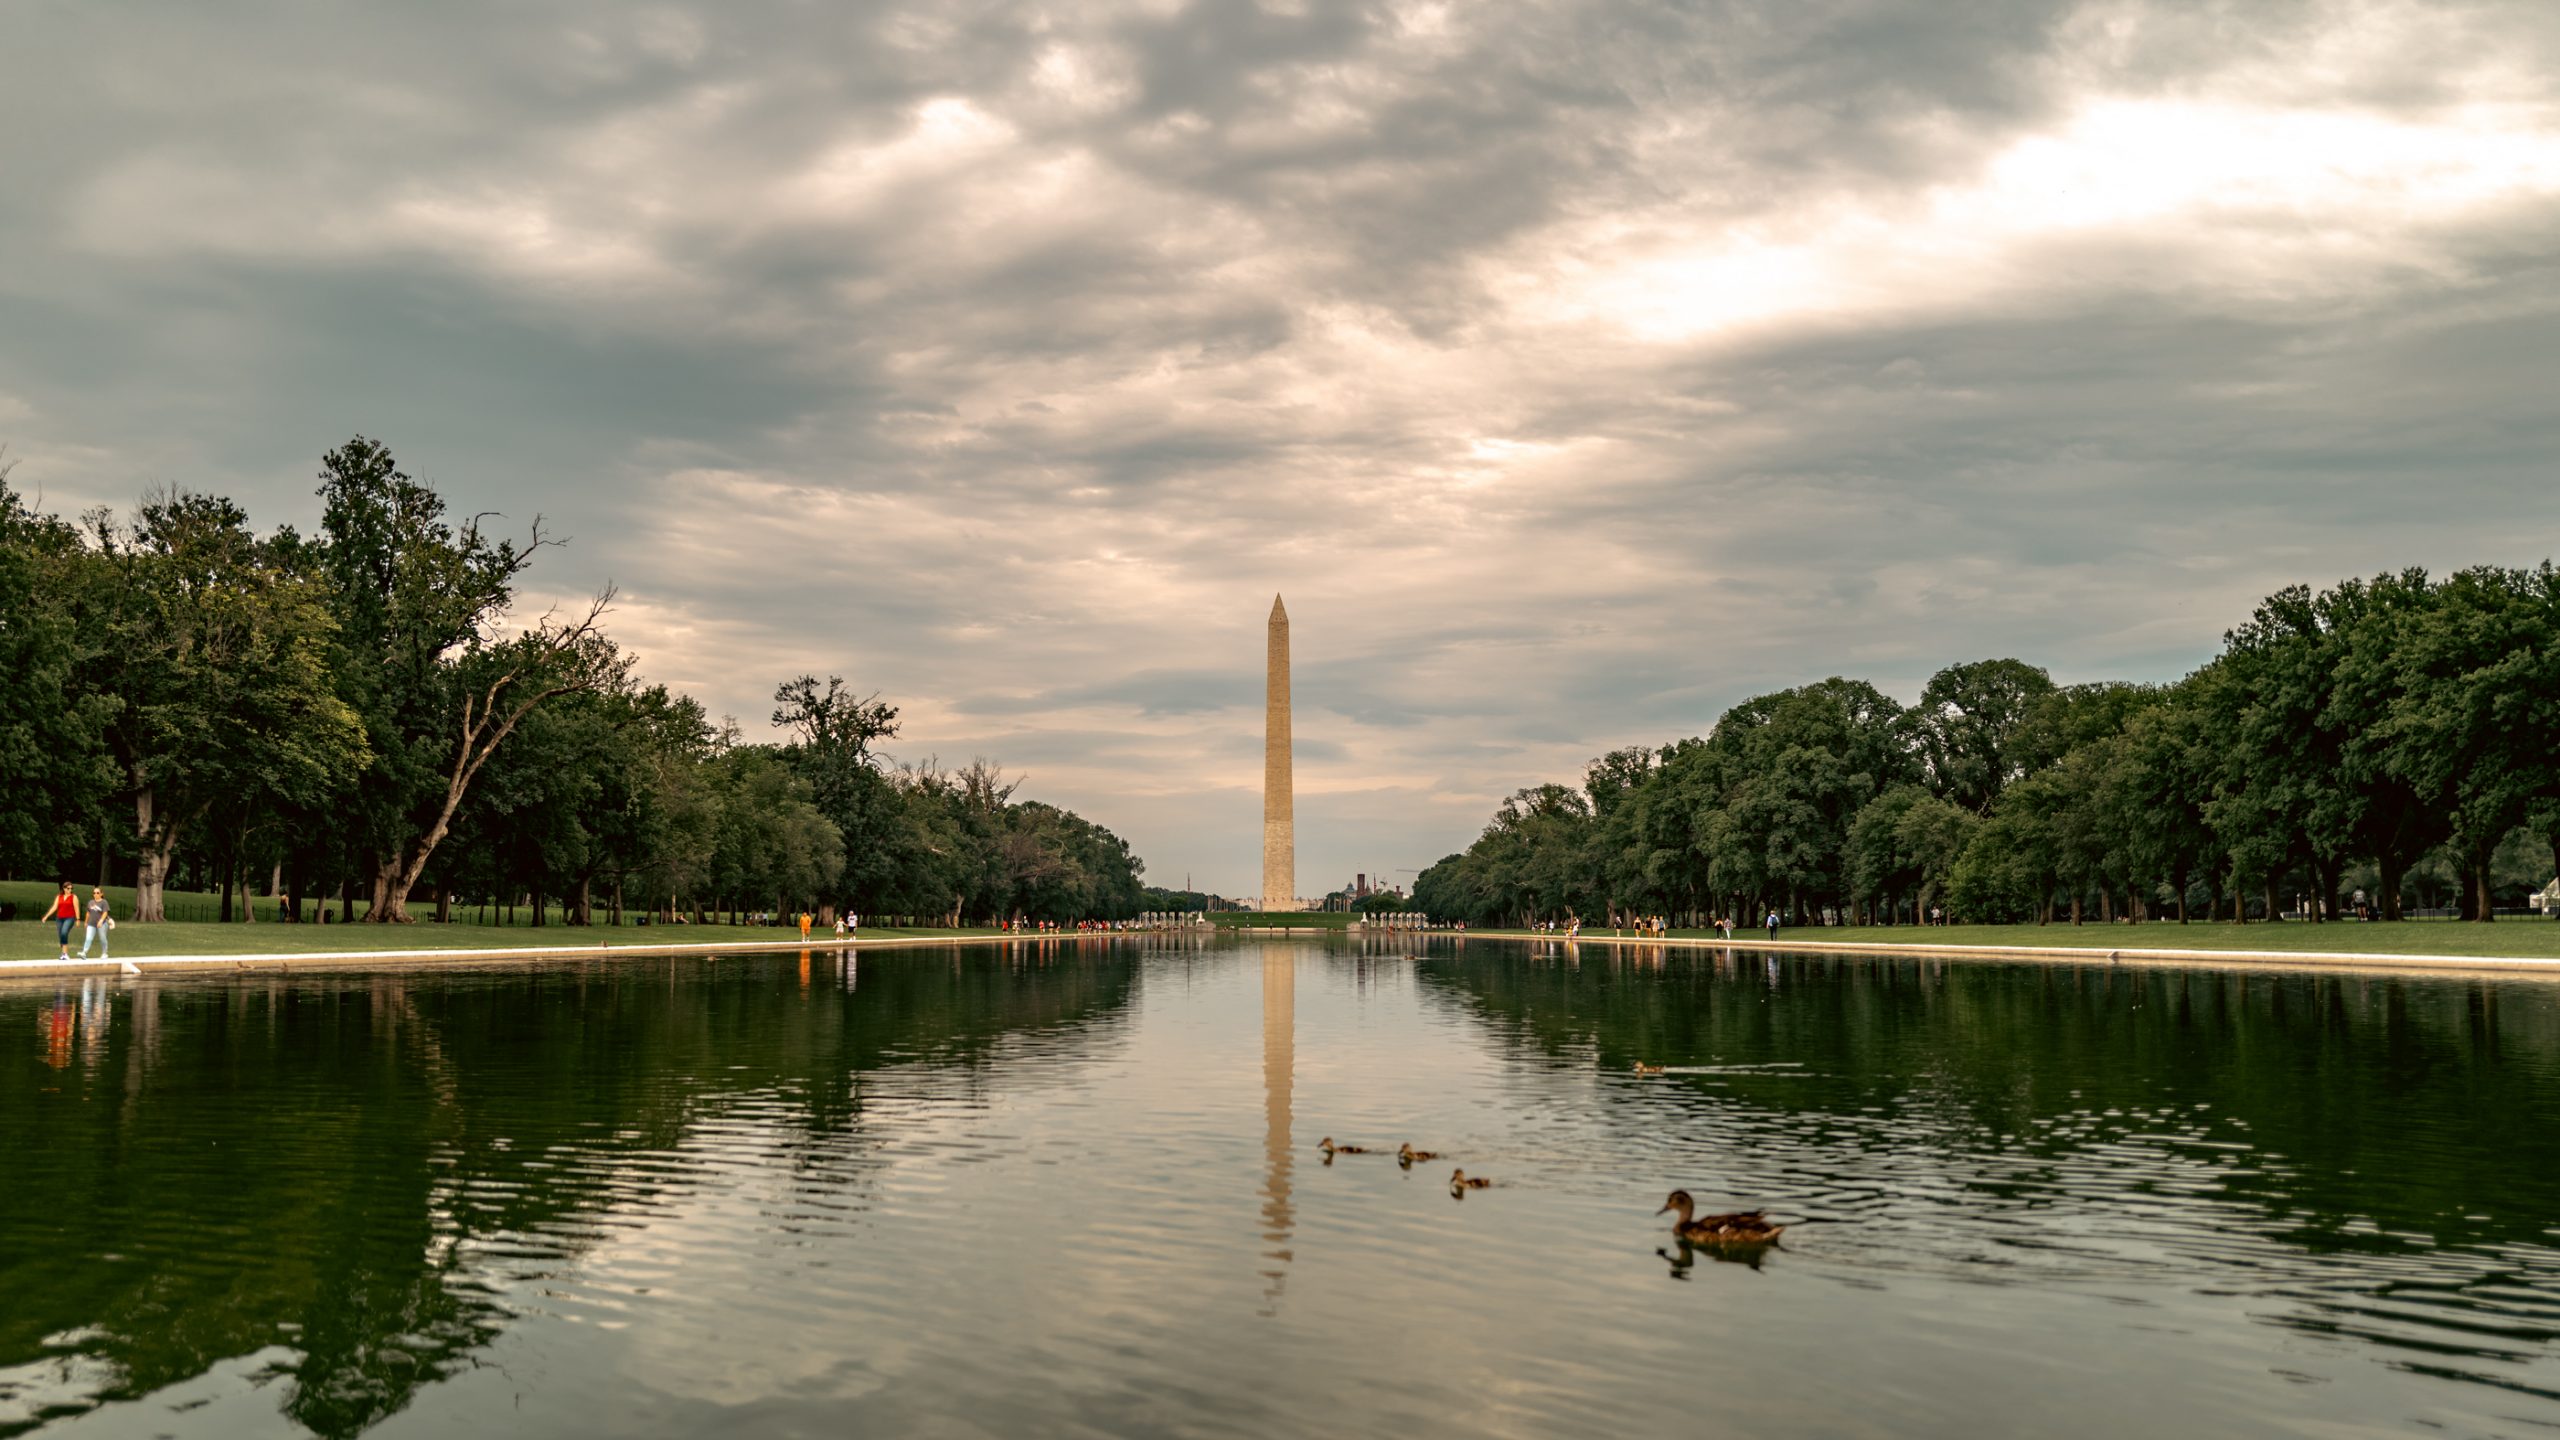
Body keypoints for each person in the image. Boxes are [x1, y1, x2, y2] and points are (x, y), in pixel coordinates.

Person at [77, 887, 112, 961]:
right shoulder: (90, 902)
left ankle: (104, 953)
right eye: (94, 893)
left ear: (101, 894)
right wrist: (86, 922)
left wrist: (101, 921)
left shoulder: (104, 902)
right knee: (88, 938)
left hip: (102, 924)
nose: (95, 894)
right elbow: (88, 913)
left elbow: (105, 913)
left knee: (102, 938)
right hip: (91, 924)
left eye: (97, 893)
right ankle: (84, 953)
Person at [48, 881, 80, 961]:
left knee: (64, 932)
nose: (70, 890)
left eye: (71, 888)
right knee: (61, 936)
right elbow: (54, 907)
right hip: (59, 919)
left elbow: (76, 908)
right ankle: (63, 954)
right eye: (68, 888)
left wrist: (78, 919)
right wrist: (46, 916)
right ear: (64, 888)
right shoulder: (59, 896)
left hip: (70, 918)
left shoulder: (74, 897)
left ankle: (65, 954)